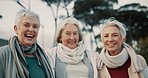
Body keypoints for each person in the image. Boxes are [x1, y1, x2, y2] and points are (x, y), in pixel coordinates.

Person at [0, 9, 54, 78]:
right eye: (26, 25)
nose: (31, 29)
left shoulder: (44, 57)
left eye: (35, 26)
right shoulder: (3, 54)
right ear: (16, 29)